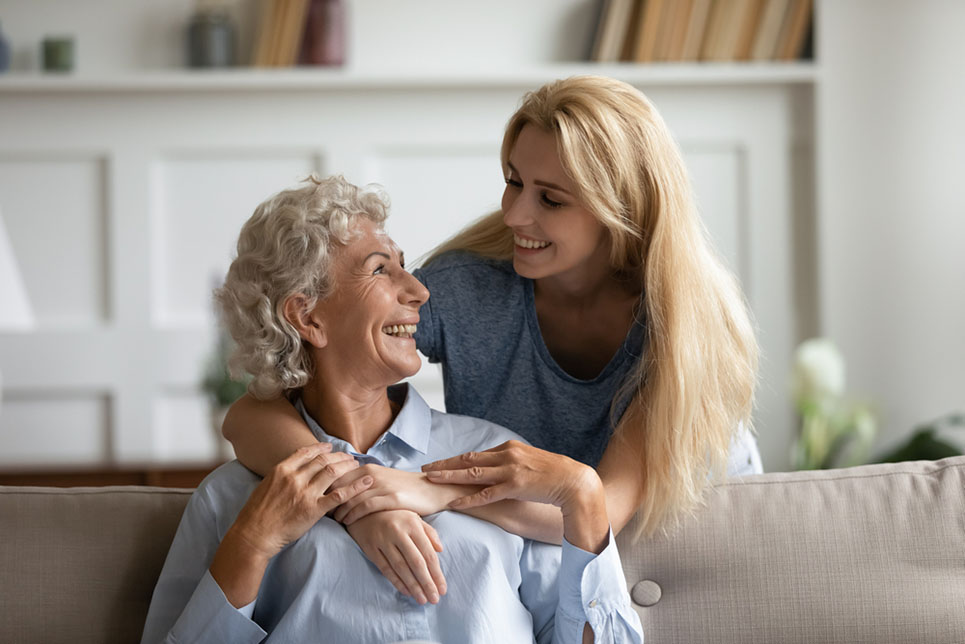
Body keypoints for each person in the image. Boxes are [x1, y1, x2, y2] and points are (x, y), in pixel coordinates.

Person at [222, 75, 762, 600]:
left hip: (686, 542)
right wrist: (357, 502)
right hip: (546, 548)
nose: (513, 213)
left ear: (620, 208)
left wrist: (429, 490)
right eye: (513, 180)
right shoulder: (470, 290)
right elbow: (251, 414)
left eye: (550, 199)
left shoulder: (680, 328)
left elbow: (601, 507)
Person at [140, 175, 643, 644]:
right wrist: (252, 543)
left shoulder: (492, 455)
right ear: (307, 316)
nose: (420, 291)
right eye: (381, 269)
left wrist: (582, 496)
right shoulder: (233, 499)